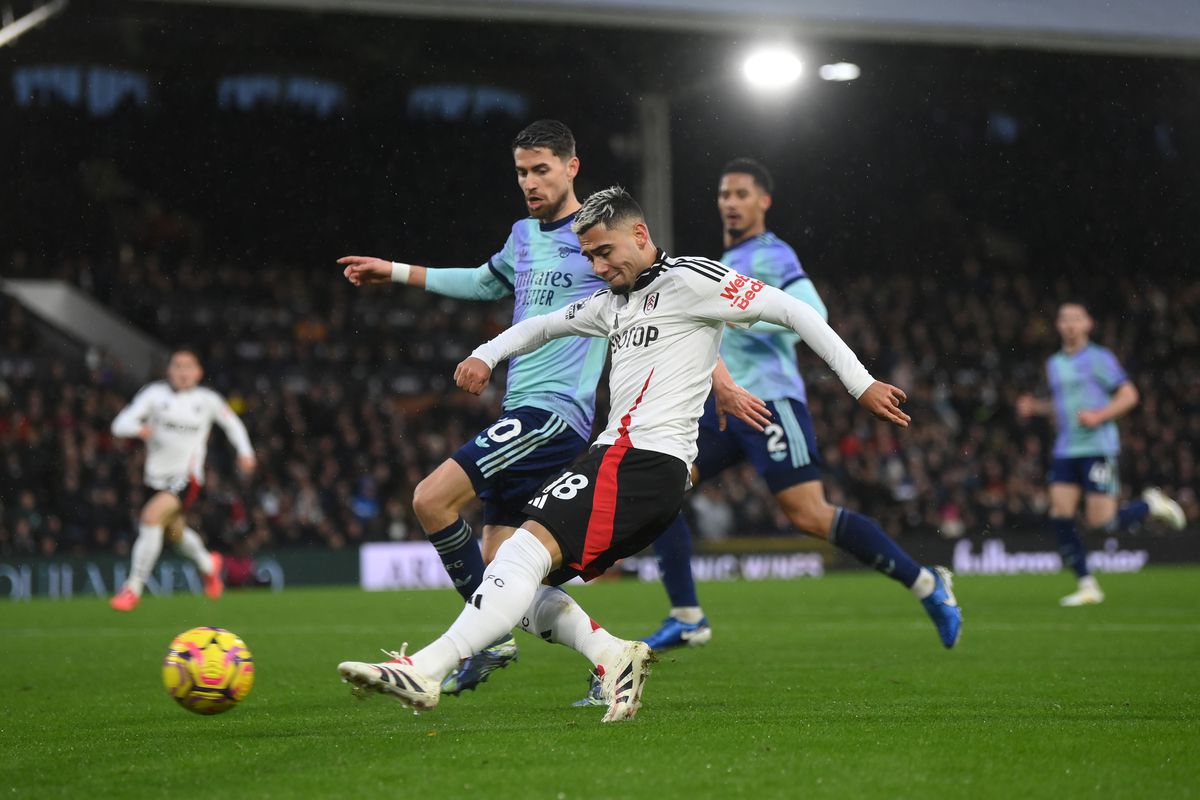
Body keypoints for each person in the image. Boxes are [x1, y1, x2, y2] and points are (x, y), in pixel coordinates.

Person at [336, 186, 932, 723]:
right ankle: (611, 654)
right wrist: (485, 355)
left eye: (604, 252)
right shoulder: (612, 303)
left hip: (642, 462)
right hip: (617, 462)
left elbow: (794, 311)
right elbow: (542, 326)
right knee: (515, 577)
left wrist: (861, 385)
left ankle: (427, 673)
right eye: (589, 256)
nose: (597, 267)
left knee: (516, 558)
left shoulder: (695, 280)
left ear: (641, 236)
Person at [337, 120, 759, 694]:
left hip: (554, 415)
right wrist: (395, 271)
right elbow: (483, 283)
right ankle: (609, 655)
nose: (530, 183)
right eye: (521, 172)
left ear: (571, 168)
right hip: (520, 407)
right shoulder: (521, 236)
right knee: (504, 572)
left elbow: (664, 305)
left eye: (541, 170)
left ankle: (484, 644)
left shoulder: (597, 239)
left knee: (431, 499)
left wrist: (723, 382)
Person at [637, 158, 961, 656]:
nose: (730, 203)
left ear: (764, 201)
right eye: (724, 194)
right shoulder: (724, 261)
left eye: (741, 194)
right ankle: (686, 616)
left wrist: (742, 317)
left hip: (770, 400)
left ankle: (926, 583)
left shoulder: (771, 252)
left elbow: (814, 311)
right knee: (659, 493)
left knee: (809, 515)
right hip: (722, 406)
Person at [1017, 302, 1185, 606]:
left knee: (1101, 523)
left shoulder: (1099, 358)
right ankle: (1087, 584)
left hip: (1097, 446)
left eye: (1075, 319)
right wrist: (1036, 408)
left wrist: (1100, 415)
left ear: (1087, 324)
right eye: (1064, 319)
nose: (1069, 324)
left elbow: (1129, 395)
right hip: (1066, 448)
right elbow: (1064, 405)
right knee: (1060, 514)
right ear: (1057, 325)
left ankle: (1150, 505)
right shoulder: (1054, 363)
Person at [109, 348, 256, 611]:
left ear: (199, 372)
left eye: (188, 367)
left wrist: (245, 453)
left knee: (151, 517)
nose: (182, 372)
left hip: (187, 478)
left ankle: (133, 588)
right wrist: (138, 429)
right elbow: (119, 425)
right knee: (174, 534)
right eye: (177, 366)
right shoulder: (154, 395)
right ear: (169, 371)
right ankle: (209, 565)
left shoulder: (207, 400)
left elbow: (232, 424)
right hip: (153, 479)